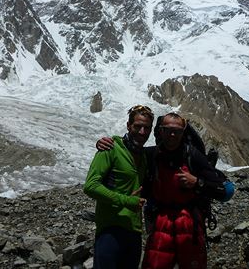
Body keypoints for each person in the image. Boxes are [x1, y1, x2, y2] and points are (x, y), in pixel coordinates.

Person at [96, 112, 235, 269]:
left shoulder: (193, 156)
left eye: (177, 131)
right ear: (160, 131)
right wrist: (105, 143)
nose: (172, 134)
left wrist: (197, 182)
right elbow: (125, 149)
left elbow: (225, 191)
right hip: (162, 222)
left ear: (184, 132)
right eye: (168, 130)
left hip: (189, 224)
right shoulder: (151, 154)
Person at [84, 105, 154, 269]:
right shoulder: (110, 148)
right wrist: (125, 200)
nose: (142, 132)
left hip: (134, 231)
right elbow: (90, 186)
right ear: (128, 126)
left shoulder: (144, 156)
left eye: (147, 128)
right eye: (137, 126)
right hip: (110, 229)